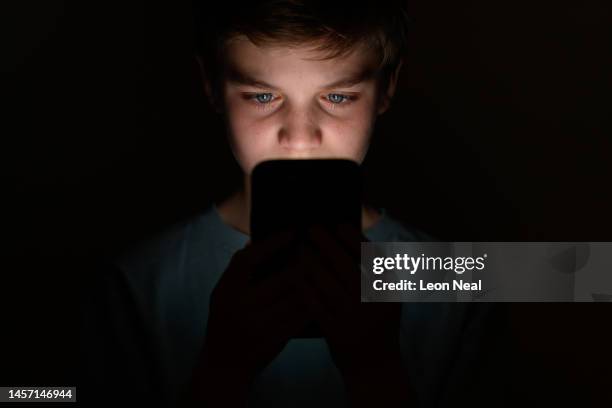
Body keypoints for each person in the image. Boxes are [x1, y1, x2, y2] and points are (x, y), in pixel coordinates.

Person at [80, 1, 510, 407]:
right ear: (211, 85)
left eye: (337, 97)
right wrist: (223, 370)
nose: (300, 138)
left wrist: (376, 369)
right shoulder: (135, 283)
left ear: (386, 88)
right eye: (263, 97)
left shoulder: (462, 282)